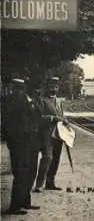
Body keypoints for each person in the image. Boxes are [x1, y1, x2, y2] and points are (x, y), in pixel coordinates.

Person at [1, 78, 41, 215]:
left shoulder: (26, 99)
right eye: (19, 87)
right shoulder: (14, 100)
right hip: (20, 142)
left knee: (28, 172)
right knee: (22, 173)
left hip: (28, 141)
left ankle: (24, 202)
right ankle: (15, 206)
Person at [34, 77, 67, 192]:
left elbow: (62, 115)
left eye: (56, 86)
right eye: (51, 86)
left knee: (56, 159)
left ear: (58, 88)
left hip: (58, 134)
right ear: (47, 87)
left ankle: (50, 182)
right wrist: (53, 118)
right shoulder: (41, 100)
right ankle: (39, 184)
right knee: (47, 157)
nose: (53, 88)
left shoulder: (59, 101)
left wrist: (65, 121)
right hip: (46, 134)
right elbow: (38, 118)